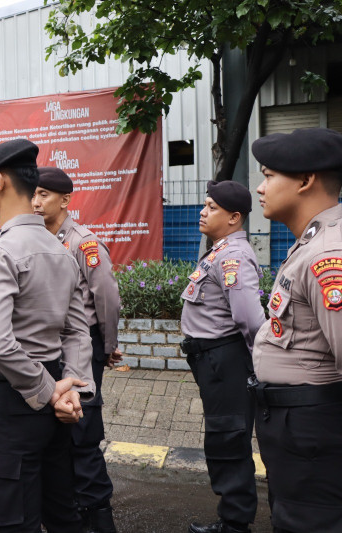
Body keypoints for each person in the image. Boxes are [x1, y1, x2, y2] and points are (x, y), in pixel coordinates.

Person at [0, 139, 95, 533]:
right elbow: (78, 330)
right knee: (61, 510)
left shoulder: (0, 251)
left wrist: (50, 391)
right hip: (54, 398)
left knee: (11, 518)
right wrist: (71, 387)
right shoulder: (60, 250)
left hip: (14, 400)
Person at [249, 127, 342, 533]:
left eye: (269, 175)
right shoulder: (311, 243)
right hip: (299, 426)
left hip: (313, 429)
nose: (259, 188)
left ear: (305, 181)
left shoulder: (328, 254)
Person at [31, 166, 121, 533]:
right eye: (32, 195)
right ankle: (66, 510)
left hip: (83, 348)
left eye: (44, 196)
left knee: (83, 435)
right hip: (48, 351)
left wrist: (109, 345)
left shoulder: (83, 242)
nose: (35, 202)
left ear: (65, 200)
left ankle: (98, 517)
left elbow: (108, 300)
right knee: (57, 435)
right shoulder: (37, 241)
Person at [179, 180, 265, 533]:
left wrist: (263, 364)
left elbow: (248, 317)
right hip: (213, 360)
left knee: (228, 438)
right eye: (204, 205)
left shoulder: (232, 256)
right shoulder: (220, 251)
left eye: (211, 207)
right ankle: (232, 518)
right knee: (222, 437)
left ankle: (234, 524)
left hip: (225, 360)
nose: (202, 211)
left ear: (233, 217)